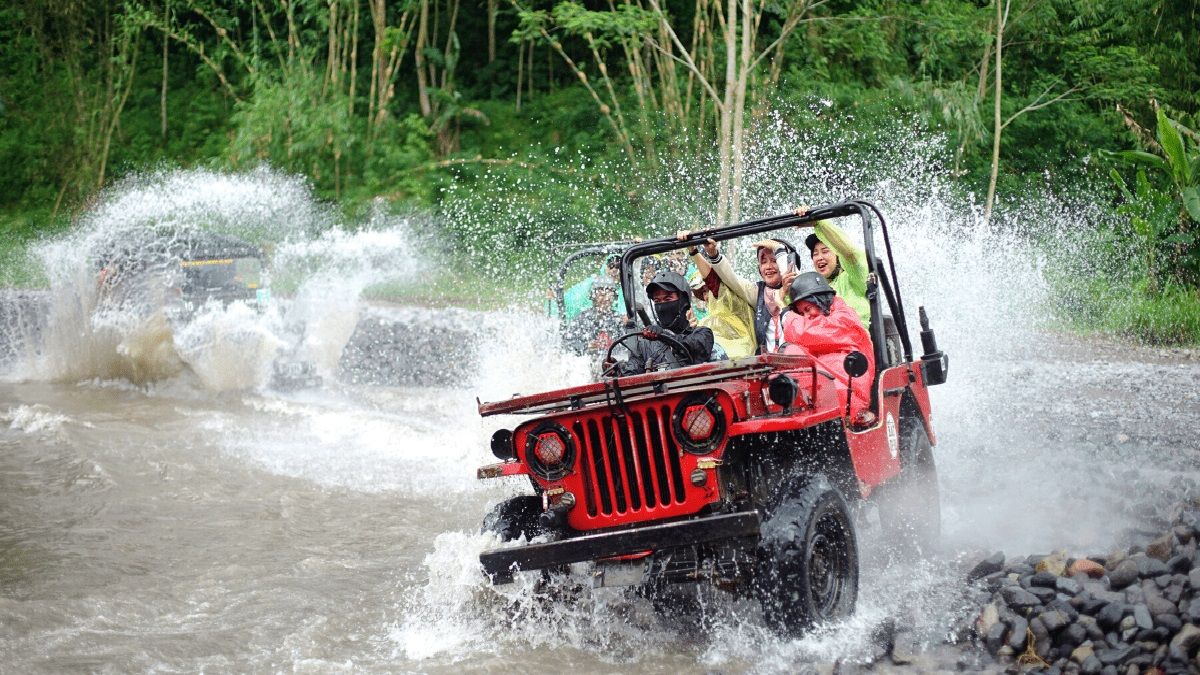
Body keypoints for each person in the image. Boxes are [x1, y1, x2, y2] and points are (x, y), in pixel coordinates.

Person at [779, 272, 876, 425]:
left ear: (822, 301)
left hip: (849, 395)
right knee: (790, 354)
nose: (807, 316)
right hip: (824, 399)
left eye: (808, 308)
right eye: (802, 313)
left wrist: (786, 316)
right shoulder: (819, 323)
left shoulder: (844, 317)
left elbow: (808, 332)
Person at [700, 237, 801, 355]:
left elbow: (792, 279)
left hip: (801, 365)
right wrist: (713, 254)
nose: (768, 267)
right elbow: (732, 279)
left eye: (774, 260)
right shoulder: (758, 293)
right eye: (763, 262)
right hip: (768, 367)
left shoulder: (802, 290)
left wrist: (779, 250)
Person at [609, 269, 713, 376]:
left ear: (683, 302)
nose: (662, 307)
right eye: (657, 301)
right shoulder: (645, 345)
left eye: (668, 298)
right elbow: (632, 372)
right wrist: (616, 369)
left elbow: (691, 347)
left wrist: (663, 335)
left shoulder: (703, 334)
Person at [794, 206, 871, 328]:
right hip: (822, 342)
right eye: (815, 253)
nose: (819, 257)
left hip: (853, 344)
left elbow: (850, 253)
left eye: (825, 251)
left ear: (838, 256)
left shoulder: (854, 277)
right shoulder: (812, 289)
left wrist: (818, 222)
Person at [565, 277, 626, 356]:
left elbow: (627, 348)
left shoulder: (620, 320)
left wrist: (628, 325)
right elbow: (568, 344)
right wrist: (586, 347)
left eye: (609, 293)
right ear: (593, 296)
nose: (605, 297)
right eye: (601, 293)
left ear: (614, 298)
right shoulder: (582, 319)